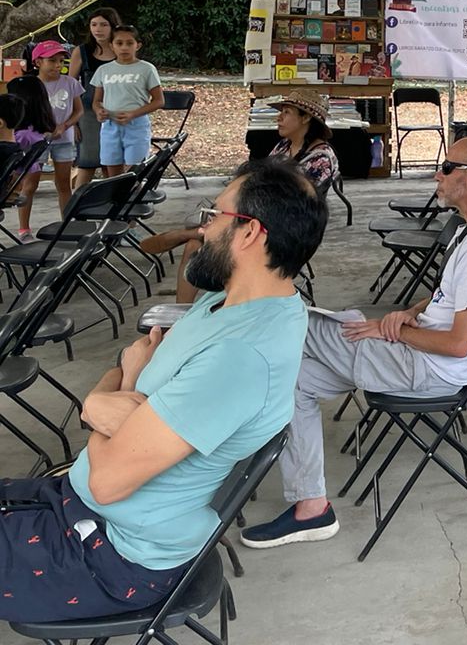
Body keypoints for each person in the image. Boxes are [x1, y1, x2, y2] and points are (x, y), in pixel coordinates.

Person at [0, 158, 317, 620]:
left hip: (109, 553)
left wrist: (109, 395)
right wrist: (114, 395)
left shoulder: (238, 358)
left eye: (214, 215)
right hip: (77, 506)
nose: (203, 227)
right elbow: (130, 359)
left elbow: (107, 482)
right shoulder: (225, 302)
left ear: (250, 232)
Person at [243, 135, 467, 548]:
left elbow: (458, 344)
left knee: (291, 322)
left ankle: (209, 435)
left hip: (429, 367)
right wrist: (410, 312)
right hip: (418, 354)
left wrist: (394, 331)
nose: (438, 175)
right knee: (294, 379)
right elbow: (451, 297)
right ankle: (311, 507)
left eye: (448, 168)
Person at [141, 92, 339, 304]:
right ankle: (183, 308)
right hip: (260, 217)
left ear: (306, 118)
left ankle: (192, 237)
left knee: (201, 243)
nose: (279, 117)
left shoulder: (320, 157)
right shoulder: (284, 146)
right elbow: (259, 184)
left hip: (283, 230)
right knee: (196, 245)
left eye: (287, 112)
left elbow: (289, 204)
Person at [90, 24, 163, 178]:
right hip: (110, 125)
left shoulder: (146, 69)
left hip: (136, 125)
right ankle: (116, 194)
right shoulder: (104, 70)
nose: (124, 47)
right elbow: (96, 101)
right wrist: (99, 111)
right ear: (112, 46)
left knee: (134, 172)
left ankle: (134, 194)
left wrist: (133, 114)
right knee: (113, 174)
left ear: (138, 45)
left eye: (129, 43)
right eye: (119, 43)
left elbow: (158, 101)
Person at [68, 6, 120, 188]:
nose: (98, 29)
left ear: (113, 26)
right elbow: (70, 87)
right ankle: (78, 204)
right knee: (87, 163)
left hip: (117, 112)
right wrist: (72, 121)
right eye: (94, 24)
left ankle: (112, 202)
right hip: (88, 114)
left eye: (104, 25)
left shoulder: (121, 50)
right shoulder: (81, 51)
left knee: (112, 165)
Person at [33, 40, 83, 217]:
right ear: (38, 62)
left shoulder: (70, 82)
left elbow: (79, 110)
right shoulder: (31, 85)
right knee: (29, 185)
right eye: (52, 60)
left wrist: (65, 126)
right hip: (36, 140)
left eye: (61, 61)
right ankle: (24, 228)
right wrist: (41, 129)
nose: (58, 65)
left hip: (64, 139)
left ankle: (66, 224)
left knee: (63, 184)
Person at [7, 74, 56, 240]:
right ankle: (24, 229)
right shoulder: (33, 134)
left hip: (9, 185)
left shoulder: (21, 135)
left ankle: (24, 229)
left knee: (28, 187)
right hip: (13, 185)